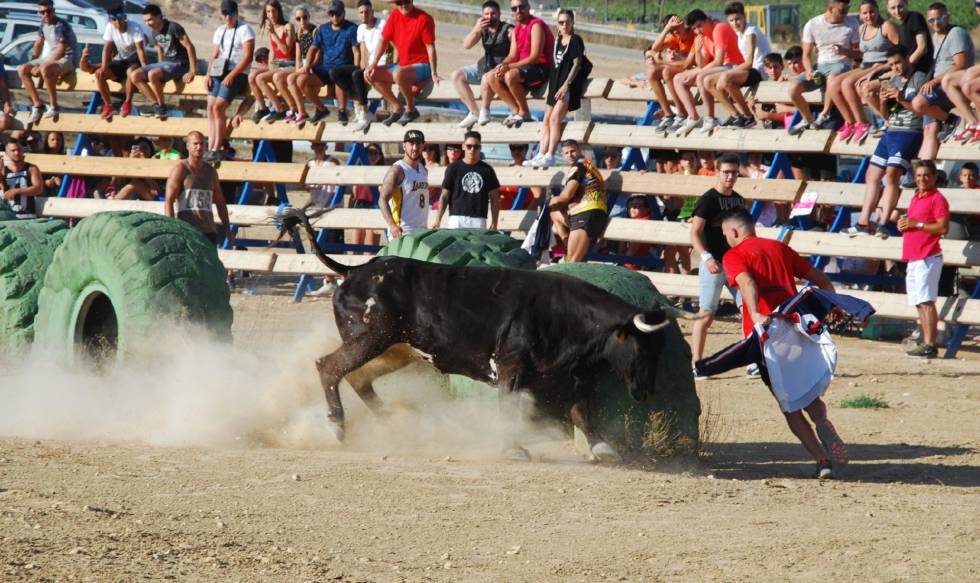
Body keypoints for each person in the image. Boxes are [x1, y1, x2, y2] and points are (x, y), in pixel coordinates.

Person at [696, 206, 846, 479]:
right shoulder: (779, 249)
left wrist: (754, 314)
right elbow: (821, 279)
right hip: (797, 329)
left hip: (768, 338)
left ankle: (822, 459)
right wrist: (833, 304)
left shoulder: (734, 254)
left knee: (788, 403)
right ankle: (823, 422)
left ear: (734, 232)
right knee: (808, 394)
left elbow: (748, 284)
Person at [848, 46, 926, 239]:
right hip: (891, 132)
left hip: (910, 132)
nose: (896, 67)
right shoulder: (894, 79)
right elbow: (888, 117)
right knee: (871, 175)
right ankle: (863, 222)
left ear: (908, 59)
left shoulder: (920, 78)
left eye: (898, 62)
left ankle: (882, 224)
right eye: (891, 64)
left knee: (891, 175)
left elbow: (923, 112)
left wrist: (901, 98)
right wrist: (883, 102)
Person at [689, 153, 746, 371]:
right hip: (714, 262)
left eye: (734, 172)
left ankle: (752, 360)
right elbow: (695, 233)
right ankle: (697, 362)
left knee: (749, 310)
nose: (730, 176)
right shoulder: (708, 200)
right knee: (706, 314)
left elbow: (743, 231)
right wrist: (706, 257)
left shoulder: (738, 199)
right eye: (726, 172)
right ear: (717, 172)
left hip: (734, 262)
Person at [524, 10, 591, 168]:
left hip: (566, 86)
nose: (564, 25)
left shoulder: (575, 40)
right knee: (546, 120)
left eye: (568, 22)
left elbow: (577, 64)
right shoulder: (557, 40)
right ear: (557, 24)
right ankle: (541, 153)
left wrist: (566, 85)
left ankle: (550, 154)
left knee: (555, 119)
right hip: (554, 85)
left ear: (573, 23)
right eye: (561, 22)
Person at [909, 3, 975, 160]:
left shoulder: (956, 33)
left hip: (951, 85)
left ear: (948, 17)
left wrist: (935, 81)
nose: (935, 23)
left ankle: (950, 119)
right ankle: (926, 167)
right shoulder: (935, 37)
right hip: (938, 85)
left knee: (919, 103)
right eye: (931, 20)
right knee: (929, 129)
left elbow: (961, 64)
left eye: (939, 18)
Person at [827, 0, 899, 144]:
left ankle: (863, 122)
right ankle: (851, 122)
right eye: (865, 13)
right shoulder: (862, 29)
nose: (869, 16)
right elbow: (861, 54)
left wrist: (886, 65)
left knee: (848, 83)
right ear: (860, 15)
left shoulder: (886, 26)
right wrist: (844, 52)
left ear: (878, 11)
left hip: (881, 66)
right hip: (865, 65)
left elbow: (899, 50)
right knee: (834, 84)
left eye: (872, 12)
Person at [898, 160, 949, 358]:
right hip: (915, 255)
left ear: (935, 176)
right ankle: (926, 342)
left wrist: (916, 224)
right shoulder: (917, 197)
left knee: (926, 301)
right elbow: (915, 223)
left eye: (926, 175)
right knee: (920, 301)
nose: (922, 179)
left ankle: (930, 344)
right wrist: (906, 224)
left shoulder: (937, 198)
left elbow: (942, 227)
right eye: (918, 175)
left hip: (928, 255)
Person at [786, 0, 859, 135]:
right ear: (831, 9)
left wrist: (845, 52)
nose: (846, 14)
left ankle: (824, 114)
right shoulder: (813, 24)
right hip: (820, 65)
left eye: (847, 9)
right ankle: (807, 119)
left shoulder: (852, 23)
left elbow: (859, 53)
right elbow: (806, 55)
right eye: (842, 10)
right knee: (793, 88)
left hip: (842, 65)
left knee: (832, 77)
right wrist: (809, 70)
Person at [365, 0, 439, 127]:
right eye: (399, 3)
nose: (403, 5)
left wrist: (434, 72)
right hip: (403, 66)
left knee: (399, 74)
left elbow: (430, 47)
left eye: (406, 1)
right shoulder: (395, 15)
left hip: (422, 65)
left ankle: (411, 109)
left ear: (411, 1)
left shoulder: (424, 18)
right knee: (369, 74)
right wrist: (374, 63)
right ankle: (397, 107)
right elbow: (383, 40)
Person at [672, 9, 744, 137]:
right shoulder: (703, 36)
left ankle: (710, 118)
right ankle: (693, 117)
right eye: (694, 28)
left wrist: (699, 72)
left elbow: (719, 60)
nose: (698, 31)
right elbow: (702, 65)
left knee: (701, 77)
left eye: (699, 26)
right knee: (678, 79)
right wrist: (698, 51)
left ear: (707, 20)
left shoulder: (718, 29)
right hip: (721, 67)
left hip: (733, 66)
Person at [486, 0, 554, 128]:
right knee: (491, 76)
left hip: (541, 68)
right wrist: (502, 65)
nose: (518, 11)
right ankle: (515, 110)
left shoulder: (536, 26)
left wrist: (509, 67)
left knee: (510, 75)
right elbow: (512, 55)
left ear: (528, 8)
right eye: (514, 9)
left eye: (521, 7)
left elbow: (535, 57)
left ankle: (524, 112)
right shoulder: (517, 28)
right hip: (523, 69)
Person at [708, 1, 773, 128]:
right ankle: (736, 116)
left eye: (738, 19)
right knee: (708, 81)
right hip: (748, 71)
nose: (735, 23)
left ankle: (748, 117)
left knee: (725, 78)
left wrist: (727, 73)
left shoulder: (751, 31)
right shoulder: (738, 34)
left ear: (745, 16)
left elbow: (748, 62)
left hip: (759, 71)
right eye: (731, 20)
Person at [205, 0, 255, 162]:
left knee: (219, 107)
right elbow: (214, 54)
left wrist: (232, 75)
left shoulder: (245, 29)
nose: (228, 17)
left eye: (231, 14)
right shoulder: (220, 30)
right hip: (218, 71)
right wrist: (207, 74)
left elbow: (248, 56)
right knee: (210, 107)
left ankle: (218, 146)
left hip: (237, 73)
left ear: (236, 14)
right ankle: (211, 145)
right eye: (225, 14)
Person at [296, 0, 360, 126]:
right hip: (325, 68)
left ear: (343, 13)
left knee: (338, 75)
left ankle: (342, 110)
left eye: (337, 14)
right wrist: (307, 65)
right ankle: (321, 109)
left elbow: (356, 51)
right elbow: (313, 49)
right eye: (332, 14)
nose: (335, 17)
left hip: (343, 68)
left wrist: (356, 69)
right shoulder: (323, 29)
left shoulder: (352, 28)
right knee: (300, 80)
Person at [165, 131, 234, 246]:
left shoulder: (211, 172)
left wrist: (227, 228)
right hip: (187, 230)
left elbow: (220, 202)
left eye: (202, 144)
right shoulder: (180, 169)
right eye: (195, 144)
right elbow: (169, 201)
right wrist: (172, 229)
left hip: (209, 230)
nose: (199, 147)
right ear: (188, 146)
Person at [130, 4, 197, 119]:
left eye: (150, 19)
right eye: (145, 21)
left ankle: (162, 106)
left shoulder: (174, 27)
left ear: (159, 16)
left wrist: (193, 71)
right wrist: (160, 72)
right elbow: (160, 51)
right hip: (165, 64)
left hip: (180, 63)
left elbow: (190, 47)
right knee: (135, 75)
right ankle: (157, 105)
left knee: (152, 74)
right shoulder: (154, 32)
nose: (148, 24)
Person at [18, 0, 79, 124]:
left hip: (67, 58)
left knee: (45, 69)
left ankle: (54, 106)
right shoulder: (43, 24)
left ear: (53, 11)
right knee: (22, 69)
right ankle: (38, 105)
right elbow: (38, 44)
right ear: (39, 13)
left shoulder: (61, 25)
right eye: (42, 12)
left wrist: (40, 66)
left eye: (48, 11)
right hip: (52, 58)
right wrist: (32, 61)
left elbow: (61, 51)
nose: (46, 14)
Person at [547, 139, 606, 263]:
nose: (570, 155)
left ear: (579, 150)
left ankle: (567, 253)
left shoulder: (579, 166)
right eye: (566, 153)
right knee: (554, 213)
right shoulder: (588, 166)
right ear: (563, 155)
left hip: (588, 213)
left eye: (572, 151)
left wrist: (549, 203)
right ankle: (566, 242)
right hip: (592, 213)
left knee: (572, 262)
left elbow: (565, 196)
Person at [455, 1, 512, 128]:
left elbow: (516, 52)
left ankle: (485, 110)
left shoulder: (507, 30)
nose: (490, 17)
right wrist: (476, 29)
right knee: (457, 75)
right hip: (486, 65)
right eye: (486, 14)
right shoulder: (482, 29)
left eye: (493, 14)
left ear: (499, 14)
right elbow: (466, 45)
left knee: (487, 77)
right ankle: (474, 112)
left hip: (502, 69)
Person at [432, 130, 500, 229]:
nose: (472, 149)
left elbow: (495, 198)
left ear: (480, 148)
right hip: (456, 218)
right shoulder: (453, 168)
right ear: (463, 146)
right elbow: (444, 196)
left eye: (476, 147)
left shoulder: (487, 170)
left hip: (479, 218)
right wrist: (438, 220)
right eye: (469, 146)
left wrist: (494, 222)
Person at [95, 5, 149, 119]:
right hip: (121, 60)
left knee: (130, 72)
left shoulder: (135, 27)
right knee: (99, 74)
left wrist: (145, 68)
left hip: (135, 59)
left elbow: (140, 50)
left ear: (124, 17)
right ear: (110, 20)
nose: (117, 22)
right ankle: (108, 105)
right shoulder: (110, 27)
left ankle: (127, 102)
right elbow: (107, 48)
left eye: (120, 18)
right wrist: (104, 67)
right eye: (114, 19)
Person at [248, 0, 295, 123]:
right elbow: (273, 52)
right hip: (277, 64)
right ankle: (263, 108)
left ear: (278, 11)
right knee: (252, 76)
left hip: (289, 63)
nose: (271, 14)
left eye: (273, 11)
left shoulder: (288, 26)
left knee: (260, 79)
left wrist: (274, 34)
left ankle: (279, 109)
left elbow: (286, 50)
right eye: (268, 11)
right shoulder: (271, 30)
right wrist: (269, 67)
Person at [649, 14, 696, 133]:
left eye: (676, 28)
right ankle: (669, 115)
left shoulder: (693, 34)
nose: (674, 31)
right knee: (652, 73)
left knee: (667, 71)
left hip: (698, 69)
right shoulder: (675, 37)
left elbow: (687, 64)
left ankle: (681, 115)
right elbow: (655, 48)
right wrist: (667, 28)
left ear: (682, 24)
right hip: (686, 69)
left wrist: (662, 61)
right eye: (671, 30)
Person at [379, 130, 430, 238]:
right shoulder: (397, 170)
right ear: (404, 146)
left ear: (423, 146)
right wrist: (392, 225)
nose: (415, 148)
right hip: (403, 232)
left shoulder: (423, 170)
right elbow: (382, 200)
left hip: (421, 231)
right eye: (411, 144)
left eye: (418, 144)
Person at [277, 6, 316, 124]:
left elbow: (319, 54)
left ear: (309, 17)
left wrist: (308, 66)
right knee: (278, 77)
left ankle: (302, 113)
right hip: (303, 64)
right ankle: (293, 109)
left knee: (291, 78)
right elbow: (298, 56)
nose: (302, 21)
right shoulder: (298, 33)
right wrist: (298, 69)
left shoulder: (315, 31)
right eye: (299, 19)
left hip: (313, 65)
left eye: (305, 18)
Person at [349, 142, 384, 248]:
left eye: (375, 153)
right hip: (360, 204)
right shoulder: (358, 171)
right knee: (356, 246)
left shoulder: (383, 172)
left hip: (375, 206)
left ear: (380, 156)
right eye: (369, 152)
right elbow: (354, 193)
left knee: (371, 247)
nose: (372, 156)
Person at [887, 0, 932, 76]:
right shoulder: (901, 26)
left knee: (870, 86)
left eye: (900, 6)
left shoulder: (915, 18)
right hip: (905, 68)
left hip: (919, 69)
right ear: (888, 9)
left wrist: (906, 66)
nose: (897, 11)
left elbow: (922, 48)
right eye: (893, 8)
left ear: (906, 4)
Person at [1, 140, 43, 219]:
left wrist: (16, 191)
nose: (17, 153)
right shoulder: (3, 171)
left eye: (19, 150)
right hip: (9, 217)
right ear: (6, 153)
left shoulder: (31, 168)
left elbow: (38, 189)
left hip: (28, 216)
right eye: (13, 150)